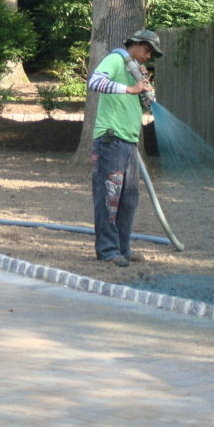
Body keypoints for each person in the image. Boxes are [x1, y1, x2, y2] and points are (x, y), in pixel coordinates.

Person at [86, 28, 163, 267]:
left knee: (129, 198)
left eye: (152, 53)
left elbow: (145, 105)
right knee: (109, 195)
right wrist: (130, 89)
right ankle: (108, 251)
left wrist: (147, 95)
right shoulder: (116, 59)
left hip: (129, 142)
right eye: (147, 50)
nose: (148, 56)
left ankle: (122, 248)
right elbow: (95, 81)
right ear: (135, 44)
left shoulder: (136, 71)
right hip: (110, 140)